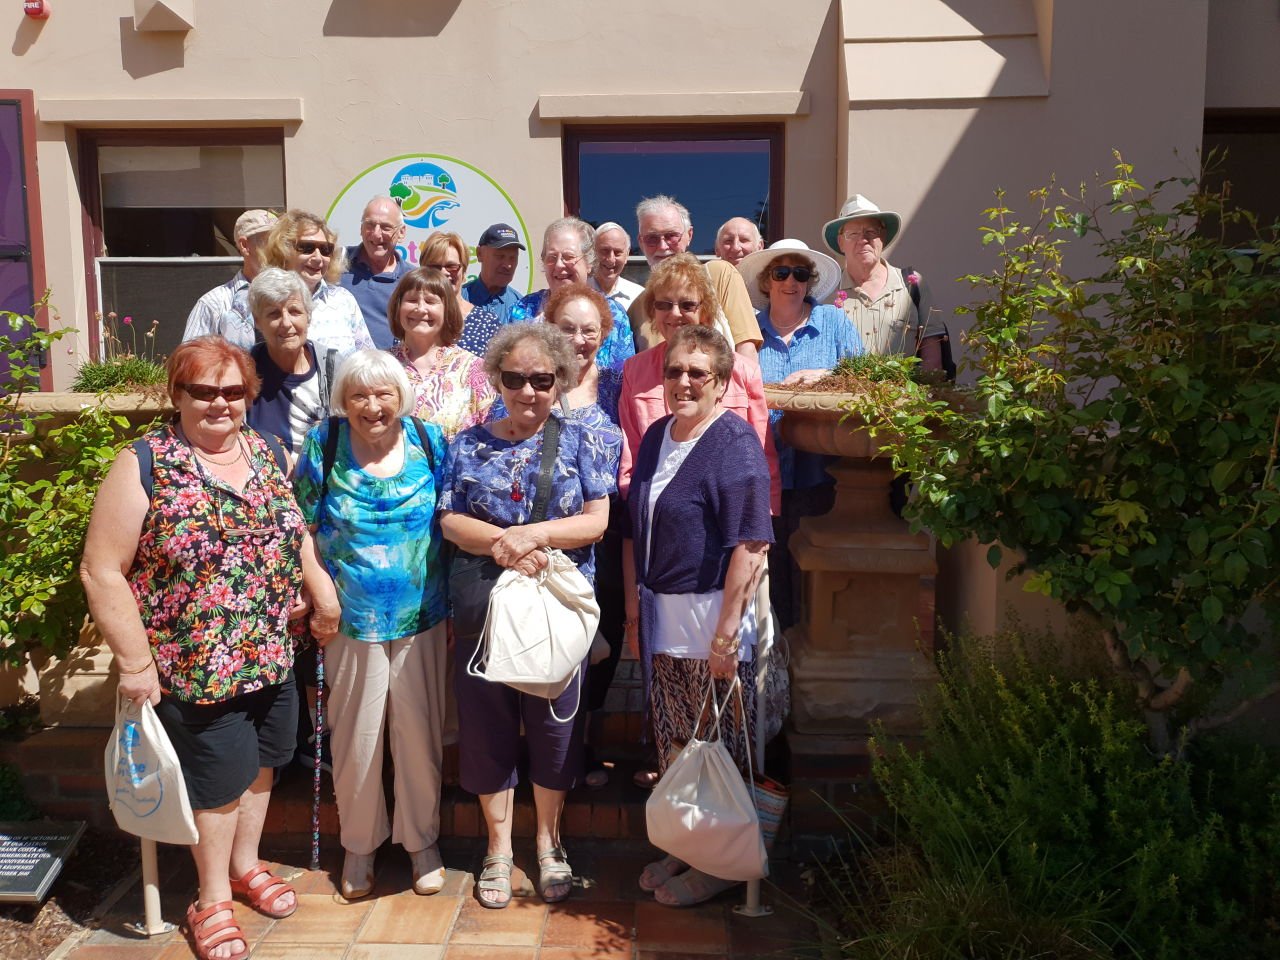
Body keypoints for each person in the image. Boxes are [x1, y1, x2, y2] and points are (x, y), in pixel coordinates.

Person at [80, 336, 340, 960]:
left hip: (273, 649)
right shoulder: (145, 463)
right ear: (178, 395)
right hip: (196, 661)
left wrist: (320, 589)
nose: (219, 403)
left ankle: (246, 866)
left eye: (233, 391)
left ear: (249, 398)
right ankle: (211, 898)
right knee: (219, 780)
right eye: (203, 391)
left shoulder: (267, 450)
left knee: (262, 764)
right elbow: (101, 570)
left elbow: (293, 532)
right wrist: (135, 662)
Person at [439, 323, 614, 910]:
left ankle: (548, 843)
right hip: (485, 614)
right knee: (486, 731)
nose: (529, 391)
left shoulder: (583, 439)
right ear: (497, 379)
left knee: (555, 730)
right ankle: (497, 849)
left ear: (560, 379)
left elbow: (596, 520)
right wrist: (506, 543)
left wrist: (533, 533)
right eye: (515, 378)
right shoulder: (466, 444)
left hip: (555, 613)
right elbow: (450, 521)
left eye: (542, 379)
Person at [292, 350, 450, 901]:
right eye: (359, 394)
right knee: (356, 736)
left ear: (401, 397)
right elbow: (301, 527)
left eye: (383, 393)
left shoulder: (431, 441)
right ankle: (359, 845)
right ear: (343, 400)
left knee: (418, 735)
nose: (372, 405)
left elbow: (452, 519)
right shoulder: (324, 443)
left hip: (422, 615)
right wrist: (321, 595)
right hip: (349, 619)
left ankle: (421, 843)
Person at [626, 324, 773, 908]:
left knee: (722, 743)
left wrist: (726, 635)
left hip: (713, 616)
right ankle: (690, 845)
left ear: (721, 382)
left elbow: (751, 544)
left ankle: (724, 864)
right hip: (663, 613)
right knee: (680, 746)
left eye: (697, 373)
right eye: (673, 371)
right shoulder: (661, 433)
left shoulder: (733, 443)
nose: (682, 382)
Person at [737, 239, 864, 630]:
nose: (790, 281)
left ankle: (814, 647)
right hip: (763, 466)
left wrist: (823, 377)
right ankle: (775, 658)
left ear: (809, 282)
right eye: (781, 272)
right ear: (765, 280)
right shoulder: (749, 332)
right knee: (768, 565)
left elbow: (866, 377)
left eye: (800, 273)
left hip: (819, 467)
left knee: (816, 564)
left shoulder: (833, 321)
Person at [618, 253, 779, 514]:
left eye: (687, 305)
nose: (674, 314)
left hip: (729, 510)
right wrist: (635, 516)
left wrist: (763, 516)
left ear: (705, 310)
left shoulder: (743, 370)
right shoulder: (635, 370)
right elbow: (631, 453)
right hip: (658, 512)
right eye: (664, 304)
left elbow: (760, 453)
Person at [628, 195, 762, 357]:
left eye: (671, 236)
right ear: (641, 242)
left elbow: (746, 350)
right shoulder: (637, 307)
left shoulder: (719, 275)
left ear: (689, 235)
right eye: (652, 239)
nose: (662, 246)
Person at [821, 194, 944, 370]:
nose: (863, 240)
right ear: (841, 243)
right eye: (853, 234)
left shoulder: (912, 284)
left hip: (902, 395)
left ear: (883, 237)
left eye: (871, 232)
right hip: (844, 397)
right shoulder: (828, 293)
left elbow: (932, 357)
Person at [507, 217, 635, 371]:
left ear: (588, 263)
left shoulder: (613, 314)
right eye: (551, 258)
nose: (559, 265)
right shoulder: (522, 310)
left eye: (568, 257)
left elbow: (625, 377)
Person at [389, 266, 496, 440]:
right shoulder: (382, 366)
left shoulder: (473, 369)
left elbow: (490, 435)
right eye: (412, 300)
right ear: (398, 307)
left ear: (447, 310)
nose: (420, 308)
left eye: (430, 301)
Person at [244, 267, 341, 456]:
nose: (286, 323)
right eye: (273, 314)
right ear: (257, 322)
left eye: (295, 311)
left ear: (309, 316)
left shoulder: (334, 368)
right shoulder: (243, 371)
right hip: (267, 481)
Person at [261, 209, 374, 358]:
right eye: (307, 248)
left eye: (325, 249)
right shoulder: (263, 301)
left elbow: (368, 359)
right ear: (283, 250)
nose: (318, 258)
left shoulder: (343, 300)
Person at [182, 209, 278, 349]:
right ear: (245, 246)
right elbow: (189, 365)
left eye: (282, 243)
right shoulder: (214, 304)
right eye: (270, 242)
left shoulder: (300, 297)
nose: (278, 250)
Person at [339, 196, 411, 349]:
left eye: (385, 227)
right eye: (370, 225)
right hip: (344, 370)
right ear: (361, 228)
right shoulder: (336, 263)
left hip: (394, 370)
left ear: (402, 232)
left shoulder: (412, 279)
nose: (376, 234)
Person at [419, 231, 504, 357]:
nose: (443, 273)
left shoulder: (487, 323)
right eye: (434, 267)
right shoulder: (414, 319)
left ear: (464, 270)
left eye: (451, 266)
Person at [462, 222, 525, 313]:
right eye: (500, 256)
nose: (507, 265)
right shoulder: (457, 300)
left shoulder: (521, 307)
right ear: (479, 254)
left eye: (513, 258)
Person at [591, 221, 644, 312]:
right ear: (593, 252)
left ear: (627, 255)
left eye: (617, 252)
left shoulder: (639, 296)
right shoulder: (578, 291)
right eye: (604, 251)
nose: (611, 259)